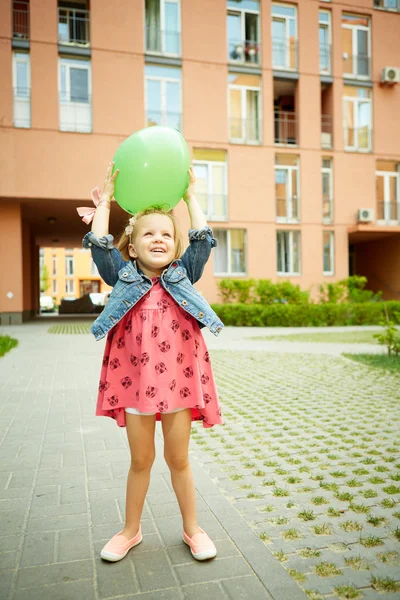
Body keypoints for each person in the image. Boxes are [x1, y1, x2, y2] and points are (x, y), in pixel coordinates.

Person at [80, 161, 224, 563]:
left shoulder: (184, 273)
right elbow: (99, 243)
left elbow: (203, 239)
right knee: (140, 459)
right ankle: (131, 530)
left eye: (166, 234)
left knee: (178, 459)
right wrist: (106, 202)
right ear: (134, 244)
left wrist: (190, 196)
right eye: (148, 233)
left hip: (178, 382)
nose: (158, 239)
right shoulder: (122, 275)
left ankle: (192, 529)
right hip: (134, 383)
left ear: (174, 245)